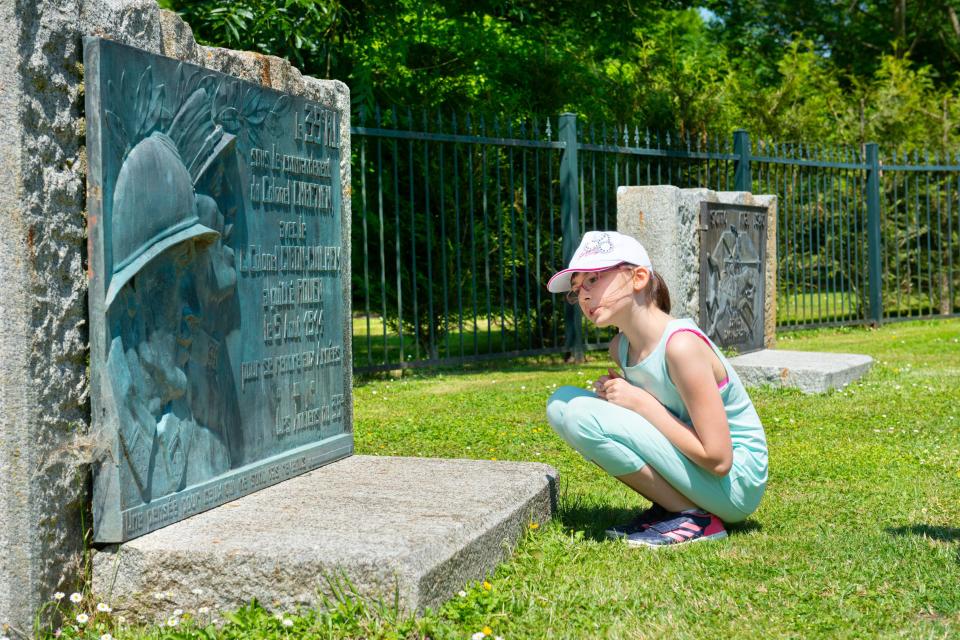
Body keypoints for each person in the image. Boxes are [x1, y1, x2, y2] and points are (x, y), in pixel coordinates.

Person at [545, 231, 768, 547]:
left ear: (638, 278)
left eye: (593, 280)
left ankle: (695, 517)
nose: (583, 296)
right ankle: (675, 507)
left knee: (581, 414)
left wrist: (640, 404)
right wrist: (619, 398)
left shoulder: (681, 346)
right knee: (561, 404)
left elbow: (719, 459)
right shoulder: (620, 347)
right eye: (578, 288)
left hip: (735, 484)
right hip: (701, 471)